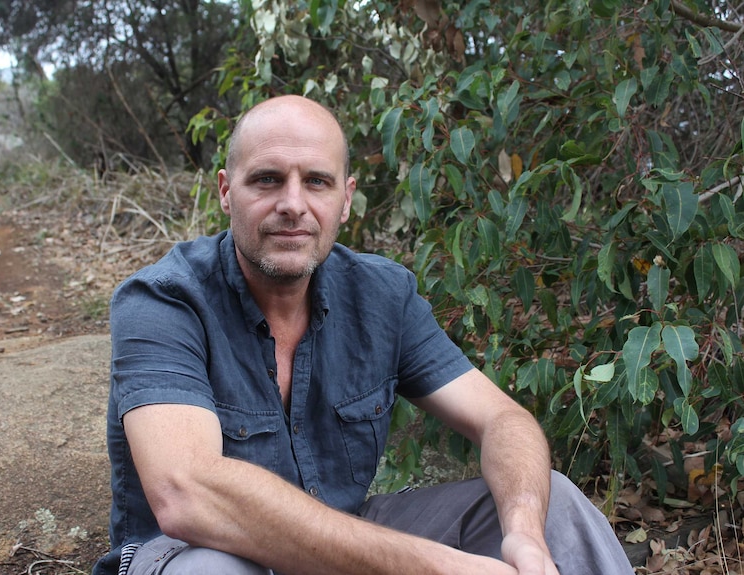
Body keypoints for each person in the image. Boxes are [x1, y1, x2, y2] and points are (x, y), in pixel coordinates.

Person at [93, 95, 633, 575]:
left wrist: (523, 534)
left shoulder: (382, 294)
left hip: (343, 534)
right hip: (191, 552)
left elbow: (502, 420)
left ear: (346, 198)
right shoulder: (163, 300)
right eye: (267, 179)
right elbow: (187, 494)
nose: (293, 204)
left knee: (552, 502)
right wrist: (435, 564)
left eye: (318, 182)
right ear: (225, 192)